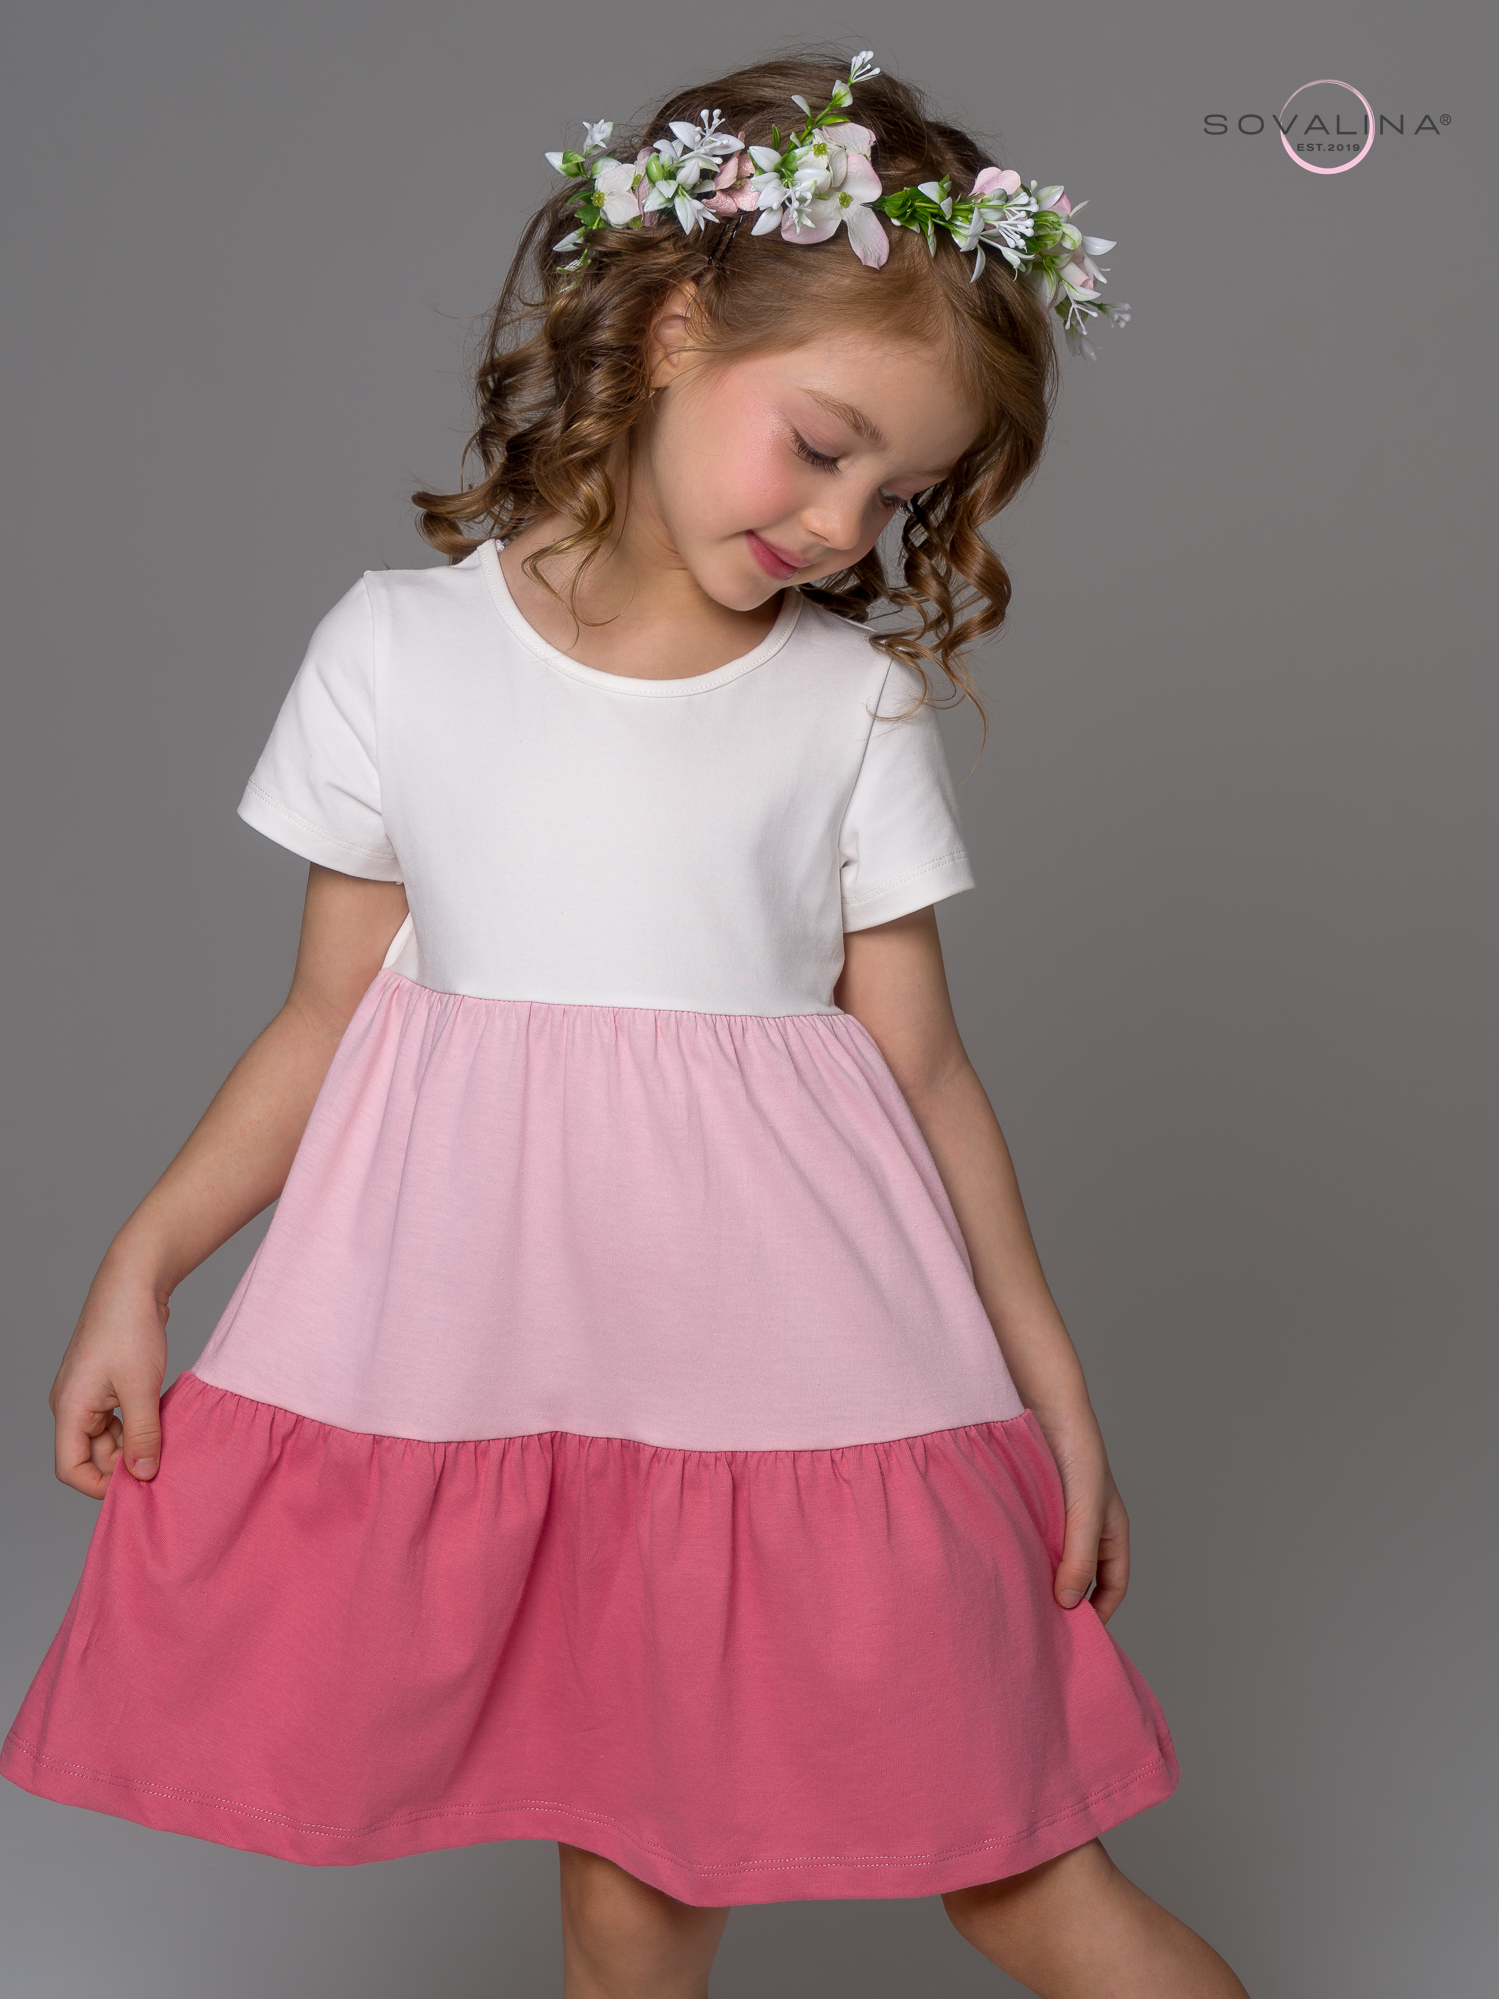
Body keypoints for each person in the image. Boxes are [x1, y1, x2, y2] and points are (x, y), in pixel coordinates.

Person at [3, 47, 1249, 1999]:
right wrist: (140, 1267)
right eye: (819, 445)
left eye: (898, 493)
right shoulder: (397, 651)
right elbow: (324, 1020)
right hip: (528, 1377)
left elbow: (925, 1071)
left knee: (1025, 1877)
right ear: (673, 330)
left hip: (814, 1385)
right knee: (624, 1924)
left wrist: (1056, 1398)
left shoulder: (846, 706)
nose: (843, 522)